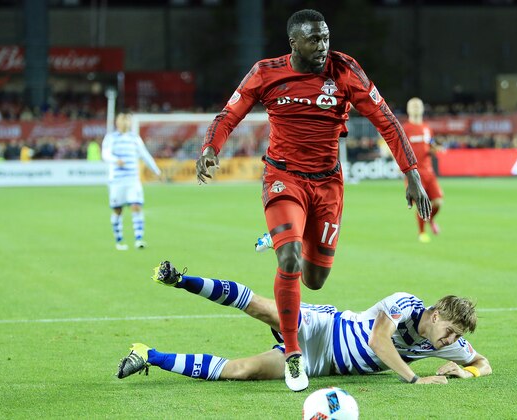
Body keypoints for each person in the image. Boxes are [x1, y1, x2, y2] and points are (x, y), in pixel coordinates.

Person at [195, 9, 431, 391]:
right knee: (288, 260)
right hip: (283, 178)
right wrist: (210, 147)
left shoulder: (345, 71)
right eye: (314, 39)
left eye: (325, 38)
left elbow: (385, 119)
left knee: (315, 280)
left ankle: (288, 233)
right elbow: (230, 113)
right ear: (294, 43)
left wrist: (412, 172)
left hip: (327, 185)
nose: (323, 46)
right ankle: (292, 354)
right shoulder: (266, 72)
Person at [117, 261, 492, 386]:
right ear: (437, 314)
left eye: (457, 337)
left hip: (318, 364)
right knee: (265, 308)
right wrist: (415, 379)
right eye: (451, 331)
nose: (452, 342)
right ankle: (180, 279)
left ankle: (148, 354)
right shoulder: (406, 304)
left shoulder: (447, 343)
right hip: (325, 328)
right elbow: (380, 342)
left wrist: (466, 373)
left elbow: (482, 363)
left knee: (240, 371)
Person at [101, 111, 161, 250]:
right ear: (117, 122)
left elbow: (145, 155)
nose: (125, 123)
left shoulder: (135, 138)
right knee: (118, 210)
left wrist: (156, 171)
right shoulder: (111, 138)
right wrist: (116, 160)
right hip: (116, 181)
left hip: (133, 179)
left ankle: (139, 239)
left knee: (136, 206)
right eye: (123, 120)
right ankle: (119, 240)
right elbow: (105, 154)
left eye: (127, 120)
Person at [402, 97, 443, 243]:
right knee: (421, 203)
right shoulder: (405, 129)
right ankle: (422, 233)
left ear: (422, 108)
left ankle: (430, 220)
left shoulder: (427, 128)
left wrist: (435, 149)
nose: (415, 107)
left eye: (418, 105)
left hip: (429, 172)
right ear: (408, 109)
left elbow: (430, 145)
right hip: (414, 173)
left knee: (438, 202)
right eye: (412, 105)